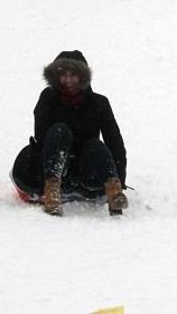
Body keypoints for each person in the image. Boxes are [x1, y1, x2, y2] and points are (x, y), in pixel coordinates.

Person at [10, 50, 128, 216]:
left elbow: (114, 142)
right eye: (63, 75)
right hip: (53, 158)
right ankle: (52, 189)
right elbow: (42, 136)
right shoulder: (48, 98)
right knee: (59, 131)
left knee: (95, 145)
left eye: (74, 75)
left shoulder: (99, 103)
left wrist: (120, 178)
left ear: (83, 77)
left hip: (86, 167)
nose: (68, 80)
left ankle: (113, 191)